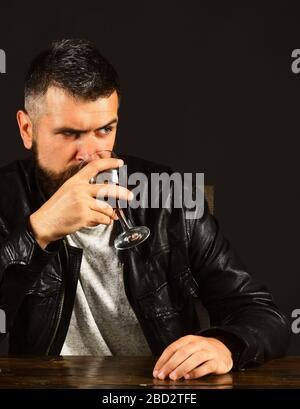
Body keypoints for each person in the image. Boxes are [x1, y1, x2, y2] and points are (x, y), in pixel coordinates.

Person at [0, 39, 289, 381]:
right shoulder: (6, 198)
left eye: (104, 130)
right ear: (27, 129)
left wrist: (226, 345)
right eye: (69, 133)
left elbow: (263, 314)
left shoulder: (170, 195)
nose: (91, 154)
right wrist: (38, 232)